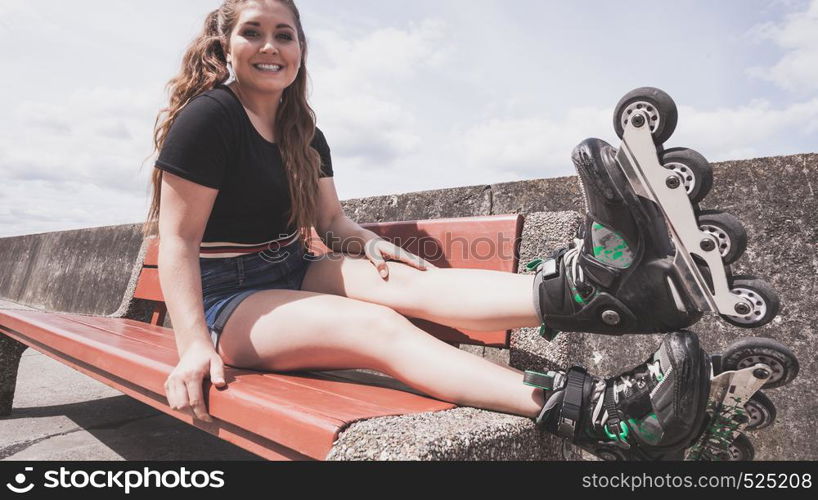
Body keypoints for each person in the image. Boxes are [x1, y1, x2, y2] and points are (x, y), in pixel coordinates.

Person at [143, 0, 710, 461]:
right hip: (224, 298)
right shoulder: (209, 118)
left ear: (300, 50)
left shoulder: (304, 132)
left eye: (284, 34)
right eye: (254, 32)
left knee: (416, 283)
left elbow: (329, 220)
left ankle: (600, 285)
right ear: (226, 46)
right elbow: (178, 242)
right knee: (376, 326)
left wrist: (363, 241)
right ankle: (599, 414)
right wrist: (192, 345)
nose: (270, 46)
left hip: (289, 267)